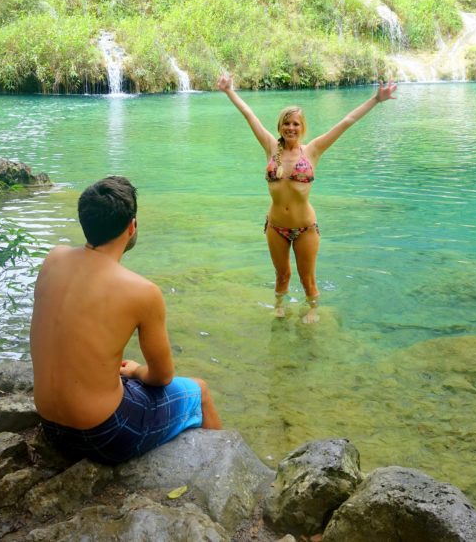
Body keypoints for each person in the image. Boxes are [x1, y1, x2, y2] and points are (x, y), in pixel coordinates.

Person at [30, 175, 222, 465]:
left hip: (51, 426)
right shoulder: (143, 291)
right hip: (104, 434)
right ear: (132, 226)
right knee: (200, 390)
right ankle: (221, 468)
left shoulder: (53, 258)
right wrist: (135, 371)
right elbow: (162, 376)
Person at [217, 75, 397, 323]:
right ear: (280, 127)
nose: (291, 128)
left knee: (307, 279)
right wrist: (229, 91)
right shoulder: (271, 147)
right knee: (282, 275)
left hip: (306, 228)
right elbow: (250, 116)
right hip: (276, 227)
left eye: (296, 124)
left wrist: (376, 99)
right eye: (286, 124)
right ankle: (279, 305)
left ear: (302, 128)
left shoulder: (313, 150)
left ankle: (312, 309)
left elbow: (347, 121)